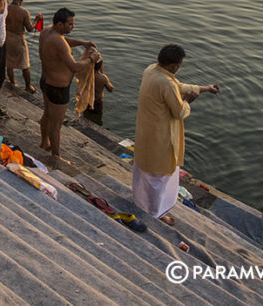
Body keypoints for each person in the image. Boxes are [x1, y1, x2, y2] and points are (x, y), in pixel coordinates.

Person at [132, 44, 220, 226]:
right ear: (174, 66)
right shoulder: (166, 83)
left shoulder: (151, 70)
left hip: (146, 131)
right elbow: (179, 111)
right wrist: (188, 101)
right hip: (160, 137)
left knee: (143, 172)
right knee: (159, 177)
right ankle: (156, 213)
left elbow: (178, 86)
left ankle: (141, 204)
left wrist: (204, 88)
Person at [38, 8, 99, 167]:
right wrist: (91, 59)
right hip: (58, 88)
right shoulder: (57, 41)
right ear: (59, 24)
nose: (72, 27)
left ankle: (44, 142)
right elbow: (75, 67)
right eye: (70, 24)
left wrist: (82, 43)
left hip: (45, 81)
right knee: (56, 124)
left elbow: (64, 42)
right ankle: (56, 157)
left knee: (47, 115)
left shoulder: (47, 32)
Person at [5, 0, 44, 92]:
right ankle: (28, 86)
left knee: (9, 63)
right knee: (25, 65)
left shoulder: (6, 8)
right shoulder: (23, 12)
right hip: (18, 39)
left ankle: (12, 82)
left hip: (7, 38)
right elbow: (30, 28)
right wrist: (36, 19)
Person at [82, 59, 114, 126]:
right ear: (101, 66)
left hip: (87, 101)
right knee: (98, 119)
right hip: (97, 102)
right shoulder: (103, 78)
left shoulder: (85, 75)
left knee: (85, 117)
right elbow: (110, 89)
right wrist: (105, 78)